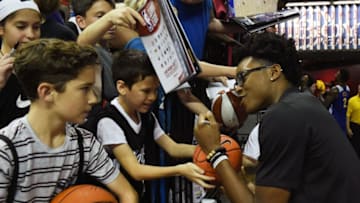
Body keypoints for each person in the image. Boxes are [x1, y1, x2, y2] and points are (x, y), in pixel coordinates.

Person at [194, 32, 360, 203]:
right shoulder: (303, 105)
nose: (238, 88)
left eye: (242, 77)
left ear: (273, 72)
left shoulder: (283, 115)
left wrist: (215, 153)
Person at [0, 38, 137, 202]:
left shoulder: (84, 143)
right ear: (47, 92)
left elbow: (128, 194)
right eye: (84, 89)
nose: (93, 99)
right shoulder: (6, 150)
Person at [95, 50, 215, 200]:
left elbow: (173, 148)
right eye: (145, 91)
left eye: (156, 90)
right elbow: (136, 171)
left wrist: (211, 150)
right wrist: (179, 170)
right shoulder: (108, 121)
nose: (152, 97)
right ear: (122, 87)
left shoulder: (146, 116)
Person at [74, 0, 145, 101]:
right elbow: (83, 44)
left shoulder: (114, 50)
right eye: (100, 16)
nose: (111, 23)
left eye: (113, 16)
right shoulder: (90, 53)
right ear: (81, 21)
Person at [0, 0, 42, 128]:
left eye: (36, 27)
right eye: (21, 26)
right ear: (1, 29)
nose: (31, 35)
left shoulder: (46, 66)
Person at [323, 69, 351, 135]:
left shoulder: (334, 90)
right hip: (344, 120)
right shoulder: (348, 88)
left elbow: (325, 106)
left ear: (340, 77)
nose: (335, 75)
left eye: (337, 73)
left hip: (335, 120)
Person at [346, 83, 360, 158]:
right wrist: (348, 128)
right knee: (355, 147)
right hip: (355, 126)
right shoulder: (352, 100)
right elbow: (348, 115)